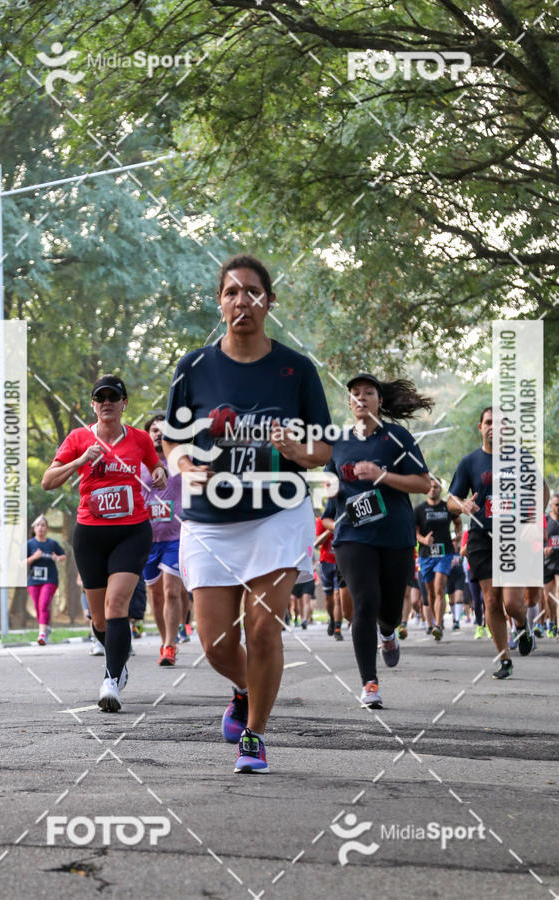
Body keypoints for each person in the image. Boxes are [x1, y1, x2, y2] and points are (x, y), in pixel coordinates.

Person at [162, 254, 332, 773]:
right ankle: (242, 686)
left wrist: (300, 450)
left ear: (268, 303)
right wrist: (186, 464)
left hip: (277, 514)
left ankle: (254, 735)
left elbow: (323, 450)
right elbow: (171, 439)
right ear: (220, 302)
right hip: (211, 519)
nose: (243, 302)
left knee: (262, 629)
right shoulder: (193, 367)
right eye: (233, 292)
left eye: (254, 292)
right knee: (215, 643)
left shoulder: (295, 370)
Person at [42, 375, 166, 711]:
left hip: (132, 531)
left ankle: (111, 680)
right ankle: (118, 661)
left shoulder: (139, 439)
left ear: (125, 402)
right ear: (94, 405)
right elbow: (47, 481)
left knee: (116, 606)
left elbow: (158, 470)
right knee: (99, 620)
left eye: (114, 396)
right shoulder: (79, 438)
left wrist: (158, 474)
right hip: (90, 534)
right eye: (101, 397)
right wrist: (80, 461)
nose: (107, 402)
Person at [329, 373, 431, 709]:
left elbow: (423, 483)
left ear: (379, 401)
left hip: (395, 535)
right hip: (353, 538)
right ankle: (369, 683)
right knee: (365, 602)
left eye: (368, 393)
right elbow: (329, 500)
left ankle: (388, 633)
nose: (361, 398)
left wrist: (382, 475)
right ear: (349, 402)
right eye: (355, 394)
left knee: (388, 611)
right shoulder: (338, 444)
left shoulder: (397, 437)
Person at [448, 406, 547, 678]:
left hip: (513, 537)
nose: (494, 427)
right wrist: (462, 505)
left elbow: (542, 491)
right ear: (480, 427)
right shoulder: (469, 463)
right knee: (491, 599)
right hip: (481, 537)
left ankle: (523, 627)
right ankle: (504, 659)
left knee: (513, 603)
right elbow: (451, 500)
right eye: (489, 422)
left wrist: (532, 522)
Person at [141, 413, 184, 667]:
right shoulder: (139, 464)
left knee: (171, 591)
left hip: (176, 537)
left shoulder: (179, 461)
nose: (158, 433)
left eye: (163, 430)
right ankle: (163, 640)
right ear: (147, 435)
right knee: (155, 594)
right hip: (147, 537)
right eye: (153, 430)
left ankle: (170, 644)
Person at [414, 477, 462, 640]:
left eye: (436, 487)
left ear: (440, 489)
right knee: (430, 592)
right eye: (430, 486)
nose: (433, 489)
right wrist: (423, 540)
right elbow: (415, 532)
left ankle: (438, 625)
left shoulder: (447, 507)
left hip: (445, 553)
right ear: (426, 488)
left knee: (440, 589)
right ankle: (435, 622)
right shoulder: (419, 509)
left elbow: (458, 521)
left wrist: (458, 537)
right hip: (426, 555)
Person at [26, 515, 66, 645]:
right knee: (38, 607)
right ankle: (45, 628)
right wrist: (34, 557)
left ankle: (41, 634)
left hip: (50, 579)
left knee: (43, 604)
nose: (40, 528)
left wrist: (58, 558)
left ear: (47, 528)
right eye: (38, 525)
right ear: (34, 528)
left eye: (43, 525)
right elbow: (21, 563)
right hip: (34, 580)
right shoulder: (29, 544)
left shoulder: (52, 543)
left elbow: (63, 555)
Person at [315, 498, 344, 640]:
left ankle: (338, 628)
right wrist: (329, 530)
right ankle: (332, 618)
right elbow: (315, 543)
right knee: (329, 598)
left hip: (340, 561)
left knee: (338, 596)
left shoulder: (344, 518)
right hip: (326, 562)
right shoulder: (322, 521)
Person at [543, 495, 559, 638]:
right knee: (548, 598)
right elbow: (536, 541)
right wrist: (544, 549)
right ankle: (552, 621)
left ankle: (557, 626)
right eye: (557, 505)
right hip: (547, 563)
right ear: (551, 506)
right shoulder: (546, 521)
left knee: (558, 592)